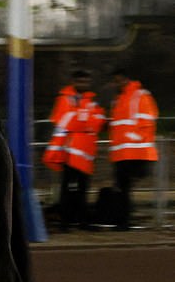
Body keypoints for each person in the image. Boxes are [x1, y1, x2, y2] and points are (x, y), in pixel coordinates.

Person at [41, 69, 106, 231]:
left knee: (82, 189)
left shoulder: (92, 100)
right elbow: (64, 122)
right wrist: (84, 121)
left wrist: (80, 120)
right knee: (67, 189)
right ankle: (65, 221)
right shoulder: (64, 99)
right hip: (68, 152)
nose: (83, 85)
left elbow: (99, 122)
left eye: (86, 82)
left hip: (85, 153)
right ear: (74, 82)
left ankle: (81, 221)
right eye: (80, 82)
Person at [108, 68, 158, 230]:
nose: (115, 84)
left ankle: (123, 221)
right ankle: (122, 220)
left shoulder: (140, 95)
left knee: (124, 187)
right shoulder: (118, 99)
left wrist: (134, 137)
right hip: (123, 152)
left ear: (125, 79)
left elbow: (147, 121)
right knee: (122, 188)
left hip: (135, 151)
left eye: (117, 81)